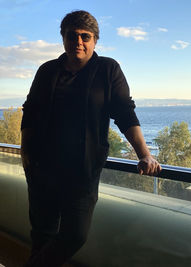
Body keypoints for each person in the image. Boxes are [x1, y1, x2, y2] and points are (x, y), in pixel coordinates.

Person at [21, 10, 162, 267]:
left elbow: (124, 113)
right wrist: (25, 153)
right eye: (72, 35)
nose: (79, 41)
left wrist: (144, 153)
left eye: (85, 36)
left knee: (75, 235)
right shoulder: (47, 71)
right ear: (63, 39)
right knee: (42, 234)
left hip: (82, 174)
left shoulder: (108, 70)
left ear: (95, 40)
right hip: (42, 169)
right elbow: (29, 113)